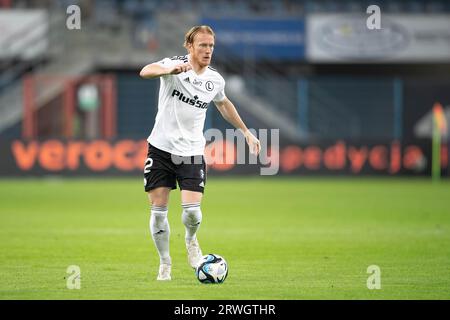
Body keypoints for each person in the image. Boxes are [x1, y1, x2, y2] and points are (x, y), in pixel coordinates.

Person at [139, 25, 261, 281]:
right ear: (190, 46)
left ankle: (191, 240)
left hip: (192, 152)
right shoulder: (174, 65)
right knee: (158, 213)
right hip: (161, 148)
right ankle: (165, 263)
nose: (208, 50)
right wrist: (167, 70)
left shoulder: (215, 80)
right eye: (203, 45)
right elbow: (145, 71)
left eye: (211, 46)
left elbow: (223, 103)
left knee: (192, 213)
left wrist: (246, 132)